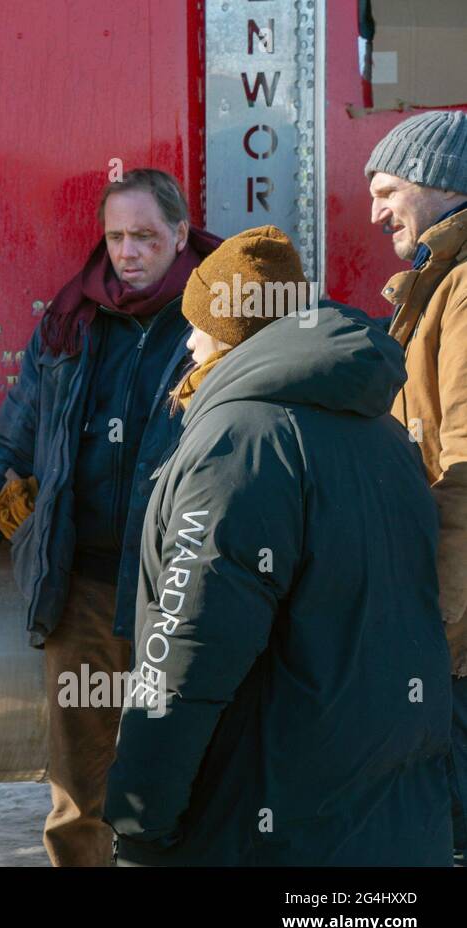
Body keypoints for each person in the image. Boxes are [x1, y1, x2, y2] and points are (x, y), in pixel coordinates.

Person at [104, 225, 452, 865]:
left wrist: (139, 820)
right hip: (395, 827)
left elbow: (186, 655)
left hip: (268, 830)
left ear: (233, 334)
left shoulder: (237, 445)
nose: (188, 341)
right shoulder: (381, 428)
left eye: (199, 325)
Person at [0, 169, 220, 865]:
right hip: (84, 595)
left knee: (192, 787)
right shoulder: (71, 322)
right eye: (117, 236)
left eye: (146, 236)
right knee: (78, 796)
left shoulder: (223, 319)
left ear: (180, 234)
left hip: (181, 596)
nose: (128, 252)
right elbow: (16, 442)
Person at [366, 109, 467, 862]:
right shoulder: (436, 283)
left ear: (439, 185)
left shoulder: (461, 290)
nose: (374, 210)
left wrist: (440, 617)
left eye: (388, 188)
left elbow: (463, 466)